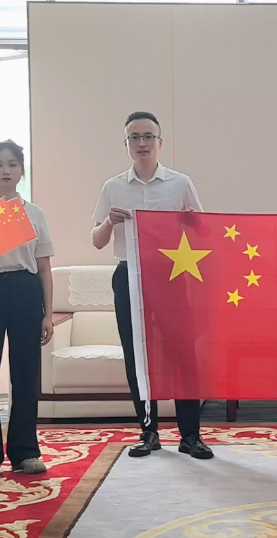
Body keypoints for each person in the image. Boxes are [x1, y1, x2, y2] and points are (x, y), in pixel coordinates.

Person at [91, 112, 213, 460]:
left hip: (171, 278)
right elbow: (97, 240)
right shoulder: (113, 187)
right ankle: (148, 433)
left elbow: (204, 230)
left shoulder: (180, 183)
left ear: (160, 142)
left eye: (148, 136)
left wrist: (189, 223)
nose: (142, 143)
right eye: (135, 137)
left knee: (182, 354)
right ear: (126, 144)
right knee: (137, 356)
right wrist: (110, 222)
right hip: (128, 276)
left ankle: (191, 436)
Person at [0, 140, 55, 477]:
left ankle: (25, 451)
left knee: (26, 372)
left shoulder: (34, 213)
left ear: (21, 171)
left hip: (25, 290)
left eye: (12, 164)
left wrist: (47, 314)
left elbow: (44, 267)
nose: (6, 170)